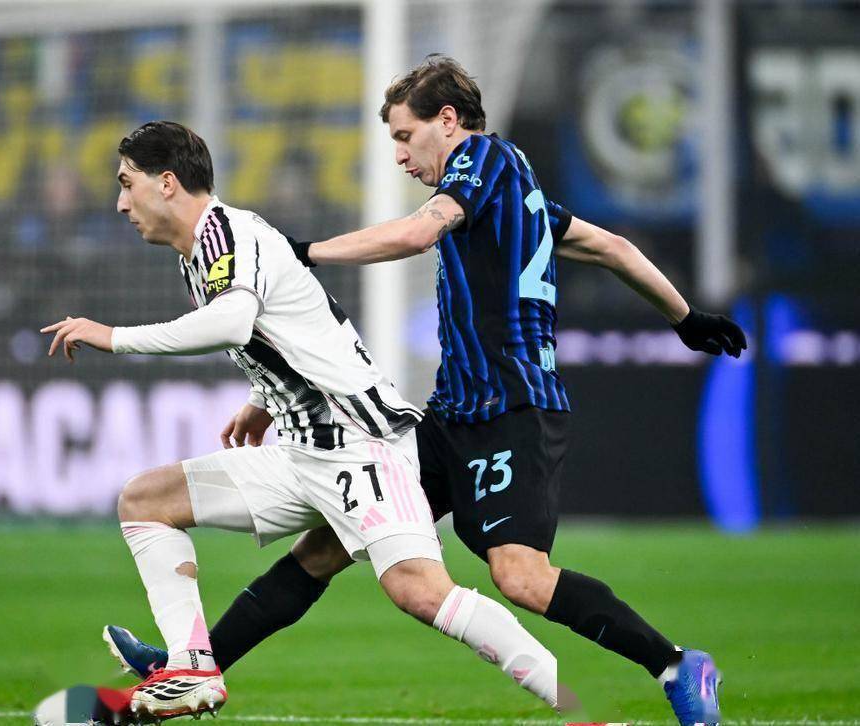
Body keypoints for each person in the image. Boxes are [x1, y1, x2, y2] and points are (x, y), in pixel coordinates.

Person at [104, 57, 744, 726]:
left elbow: (418, 233)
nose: (401, 156)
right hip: (450, 416)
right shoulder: (514, 194)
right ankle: (193, 666)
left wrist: (305, 251)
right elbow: (609, 246)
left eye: (406, 137)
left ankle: (676, 663)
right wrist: (684, 317)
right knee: (323, 549)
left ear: (448, 120)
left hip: (511, 409)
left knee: (520, 575)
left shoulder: (485, 161)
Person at [41, 120, 569, 720]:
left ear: (166, 183)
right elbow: (299, 323)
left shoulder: (225, 234)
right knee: (145, 500)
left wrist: (112, 336)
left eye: (126, 183)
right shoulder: (205, 250)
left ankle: (578, 705)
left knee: (420, 591)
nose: (120, 203)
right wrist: (263, 398)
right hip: (303, 449)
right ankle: (190, 669)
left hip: (360, 446)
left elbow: (232, 323)